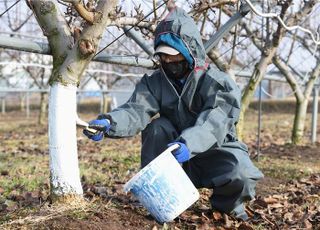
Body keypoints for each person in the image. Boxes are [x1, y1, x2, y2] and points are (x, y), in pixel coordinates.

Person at [83, 7, 263, 221]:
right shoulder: (154, 83)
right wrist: (109, 123)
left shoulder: (217, 83)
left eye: (173, 55)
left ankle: (227, 207)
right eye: (163, 57)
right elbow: (135, 110)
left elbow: (216, 121)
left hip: (213, 150)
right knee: (158, 127)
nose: (168, 62)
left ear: (189, 51)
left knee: (241, 173)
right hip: (173, 155)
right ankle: (163, 200)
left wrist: (190, 143)